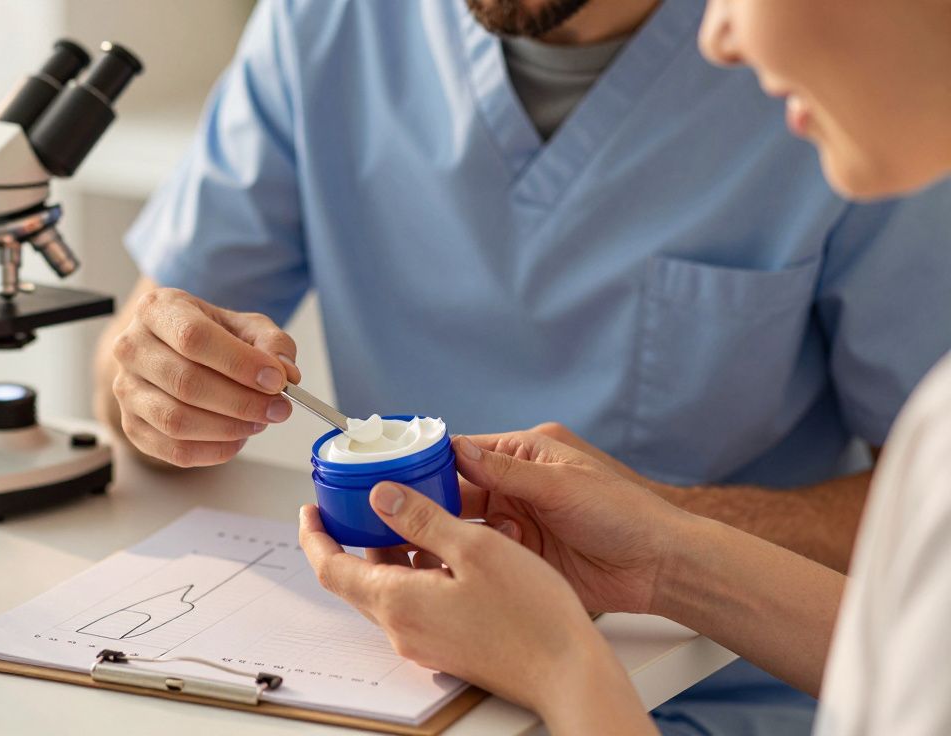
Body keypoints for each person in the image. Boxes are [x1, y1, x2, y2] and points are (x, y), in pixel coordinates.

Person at [96, 0, 951, 731]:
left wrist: (575, 644)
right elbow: (137, 360)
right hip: (390, 687)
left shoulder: (866, 95)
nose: (721, 36)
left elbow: (926, 528)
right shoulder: (331, 25)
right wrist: (161, 381)